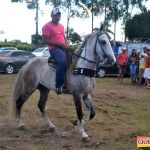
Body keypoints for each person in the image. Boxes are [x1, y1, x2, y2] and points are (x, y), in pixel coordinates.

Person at [42, 7, 69, 94]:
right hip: (54, 49)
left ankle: (70, 82)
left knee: (74, 59)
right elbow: (45, 40)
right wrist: (59, 44)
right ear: (51, 16)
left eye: (59, 15)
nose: (58, 17)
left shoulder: (61, 26)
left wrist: (66, 42)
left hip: (63, 48)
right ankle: (58, 86)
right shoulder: (46, 26)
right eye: (56, 15)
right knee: (62, 62)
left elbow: (63, 38)